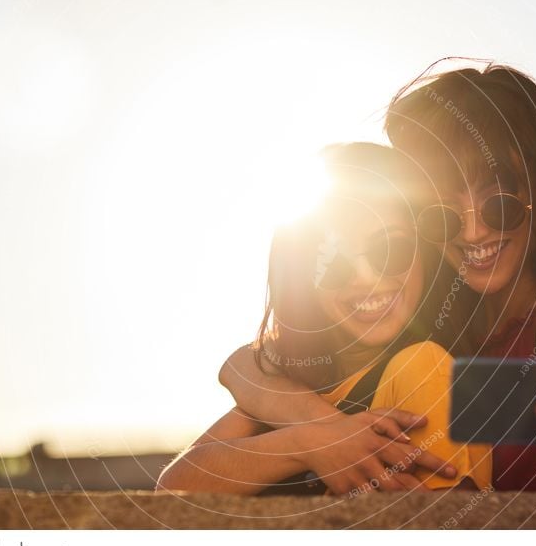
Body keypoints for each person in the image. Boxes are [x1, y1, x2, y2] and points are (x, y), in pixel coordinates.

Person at [220, 62, 536, 493]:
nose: (475, 229)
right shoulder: (423, 323)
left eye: (500, 202)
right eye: (444, 212)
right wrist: (319, 433)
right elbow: (252, 365)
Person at [157, 143, 492, 495]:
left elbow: (444, 526)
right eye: (333, 265)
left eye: (389, 249)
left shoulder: (423, 367)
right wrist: (309, 443)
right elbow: (173, 492)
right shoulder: (294, 388)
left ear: (424, 253)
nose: (365, 278)